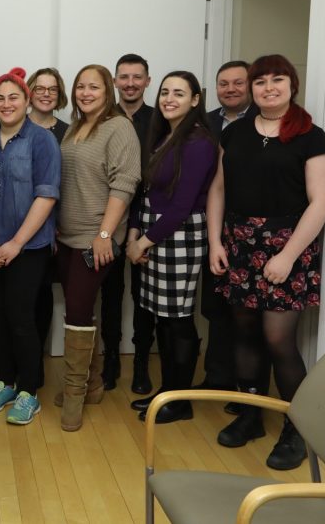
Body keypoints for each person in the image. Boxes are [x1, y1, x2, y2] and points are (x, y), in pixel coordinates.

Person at [208, 54, 325, 470]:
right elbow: (219, 189)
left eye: (277, 80)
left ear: (291, 85)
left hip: (288, 244)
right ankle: (250, 415)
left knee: (279, 340)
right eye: (260, 82)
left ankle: (296, 429)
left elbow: (321, 203)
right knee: (243, 333)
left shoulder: (311, 136)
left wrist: (287, 256)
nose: (268, 88)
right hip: (240, 242)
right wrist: (215, 242)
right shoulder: (237, 132)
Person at [0, 68, 60, 426]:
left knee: (22, 318)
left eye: (13, 97)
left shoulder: (41, 141)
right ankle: (5, 381)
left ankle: (29, 390)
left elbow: (47, 194)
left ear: (26, 102)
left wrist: (17, 243)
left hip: (30, 247)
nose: (6, 104)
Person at [126, 71, 217, 424]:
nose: (169, 99)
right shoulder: (165, 137)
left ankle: (180, 402)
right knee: (162, 320)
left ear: (195, 100)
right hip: (155, 233)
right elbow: (146, 194)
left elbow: (180, 207)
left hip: (178, 236)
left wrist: (142, 242)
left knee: (178, 321)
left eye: (179, 93)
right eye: (165, 92)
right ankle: (165, 395)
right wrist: (134, 236)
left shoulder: (199, 142)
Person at [53, 65, 140, 431]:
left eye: (94, 87)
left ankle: (74, 397)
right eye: (80, 87)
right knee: (82, 310)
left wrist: (105, 234)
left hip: (96, 238)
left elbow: (126, 182)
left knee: (76, 312)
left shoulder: (118, 126)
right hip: (66, 236)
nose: (86, 93)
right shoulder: (74, 127)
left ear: (108, 90)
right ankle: (92, 383)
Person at [196, 60, 268, 404]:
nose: (231, 89)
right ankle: (217, 378)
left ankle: (251, 393)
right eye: (223, 83)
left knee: (254, 318)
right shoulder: (206, 122)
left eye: (238, 83)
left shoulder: (268, 122)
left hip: (261, 236)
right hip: (218, 230)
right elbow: (212, 182)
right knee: (215, 308)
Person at [100, 53, 156, 394]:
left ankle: (140, 364)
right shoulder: (104, 118)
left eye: (138, 77)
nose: (131, 83)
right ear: (116, 82)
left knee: (143, 296)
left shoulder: (161, 119)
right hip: (109, 218)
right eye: (124, 77)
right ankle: (109, 362)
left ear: (148, 81)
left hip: (148, 223)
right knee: (109, 294)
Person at [26, 67, 70, 389]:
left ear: (59, 94)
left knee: (41, 294)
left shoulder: (70, 132)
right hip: (15, 229)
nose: (45, 93)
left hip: (54, 230)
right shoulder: (15, 127)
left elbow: (67, 184)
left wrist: (54, 226)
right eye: (39, 87)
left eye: (51, 89)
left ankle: (36, 358)